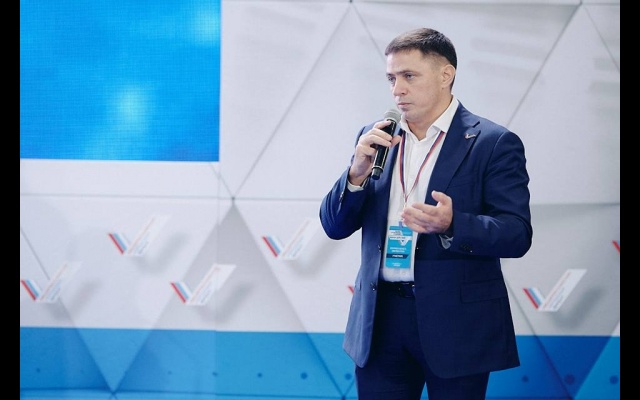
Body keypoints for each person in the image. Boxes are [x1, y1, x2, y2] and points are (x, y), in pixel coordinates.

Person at [319, 27, 533, 400]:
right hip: (380, 320)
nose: (397, 89)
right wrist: (355, 174)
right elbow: (334, 226)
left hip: (457, 323)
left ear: (445, 75)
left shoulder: (493, 143)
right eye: (391, 78)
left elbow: (516, 233)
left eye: (409, 76)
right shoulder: (376, 138)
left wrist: (453, 224)